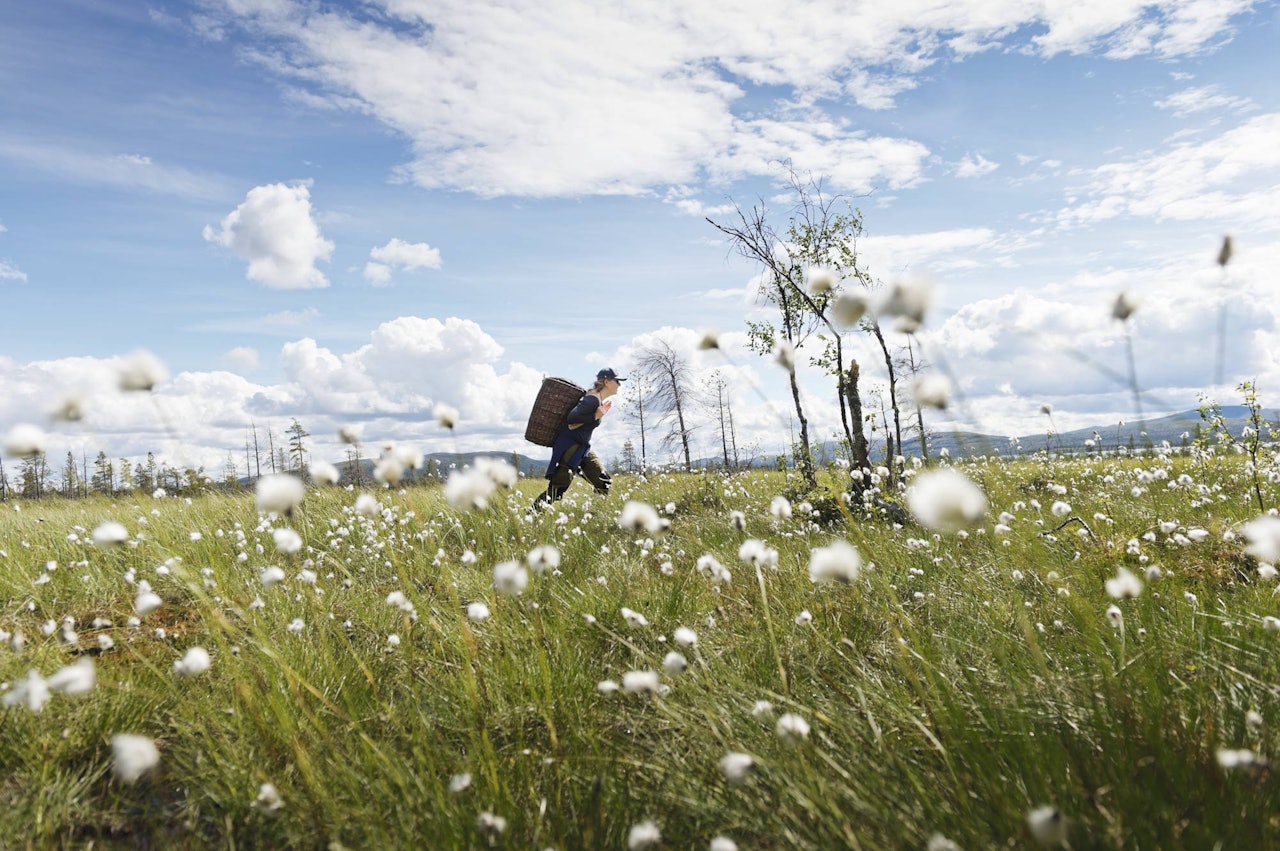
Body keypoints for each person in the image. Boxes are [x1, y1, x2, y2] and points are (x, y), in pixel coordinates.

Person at [533, 368, 624, 508]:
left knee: (603, 482)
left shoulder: (596, 399)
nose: (619, 384)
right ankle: (533, 516)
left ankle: (594, 516)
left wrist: (598, 414)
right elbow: (572, 418)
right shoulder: (592, 399)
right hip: (570, 448)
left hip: (582, 448)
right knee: (557, 489)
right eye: (617, 381)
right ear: (606, 381)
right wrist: (595, 416)